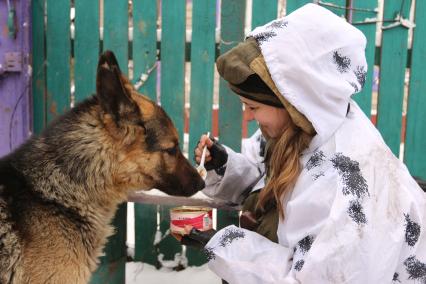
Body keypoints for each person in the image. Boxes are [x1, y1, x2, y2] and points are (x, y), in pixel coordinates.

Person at [179, 4, 426, 283]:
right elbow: (270, 182)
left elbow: (309, 279)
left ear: (293, 102)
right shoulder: (305, 127)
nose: (247, 117)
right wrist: (225, 166)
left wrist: (225, 246)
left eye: (253, 107)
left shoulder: (349, 192)